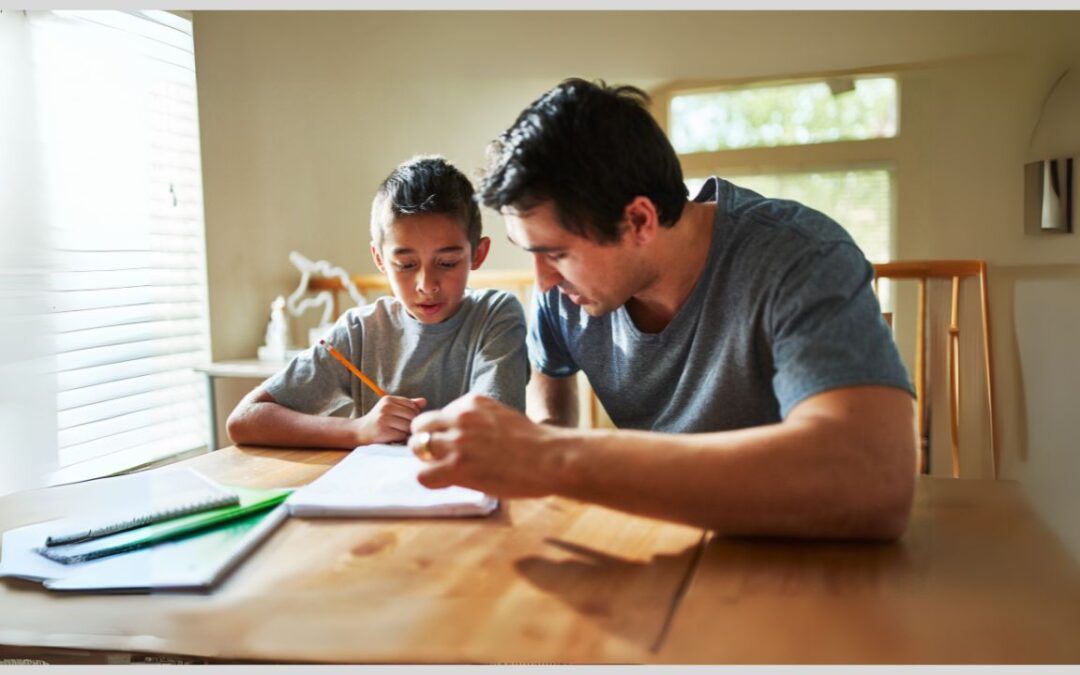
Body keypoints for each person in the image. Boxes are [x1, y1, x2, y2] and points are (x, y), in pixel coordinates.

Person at [407, 79, 917, 540]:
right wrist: (542, 445)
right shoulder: (564, 298)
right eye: (531, 254)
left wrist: (550, 457)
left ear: (639, 220)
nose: (543, 281)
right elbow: (551, 380)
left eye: (556, 253)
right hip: (658, 547)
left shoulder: (800, 257)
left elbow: (874, 478)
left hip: (799, 557)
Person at [227, 156, 529, 449]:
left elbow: (497, 428)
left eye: (447, 262)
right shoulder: (360, 331)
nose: (426, 285)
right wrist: (357, 430)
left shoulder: (496, 315)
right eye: (406, 265)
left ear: (478, 253)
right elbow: (244, 419)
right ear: (380, 259)